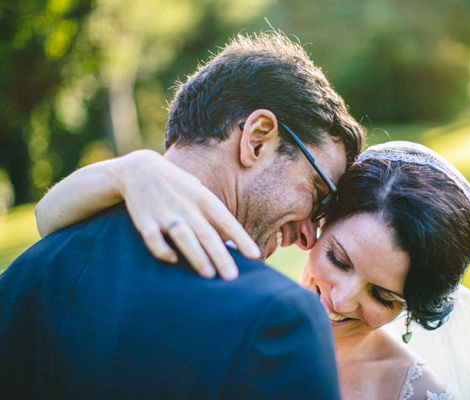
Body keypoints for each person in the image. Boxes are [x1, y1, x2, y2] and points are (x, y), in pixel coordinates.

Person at [0, 31, 366, 399]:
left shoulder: (27, 271)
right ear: (257, 139)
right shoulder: (279, 320)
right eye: (319, 195)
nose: (308, 236)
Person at [33, 141, 470, 399]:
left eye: (384, 296)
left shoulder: (417, 394)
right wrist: (129, 170)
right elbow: (48, 222)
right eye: (338, 259)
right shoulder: (236, 302)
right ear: (317, 223)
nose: (341, 299)